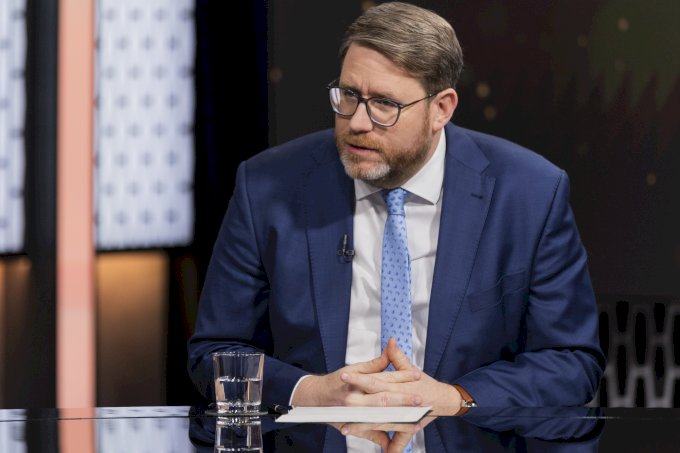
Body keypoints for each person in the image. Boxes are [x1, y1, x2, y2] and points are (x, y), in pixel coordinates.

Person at [188, 2, 604, 451]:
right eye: (348, 95)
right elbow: (214, 352)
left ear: (441, 109)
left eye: (384, 104)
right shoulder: (268, 187)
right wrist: (311, 392)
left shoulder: (529, 194)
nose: (357, 122)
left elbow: (570, 363)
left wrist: (454, 398)